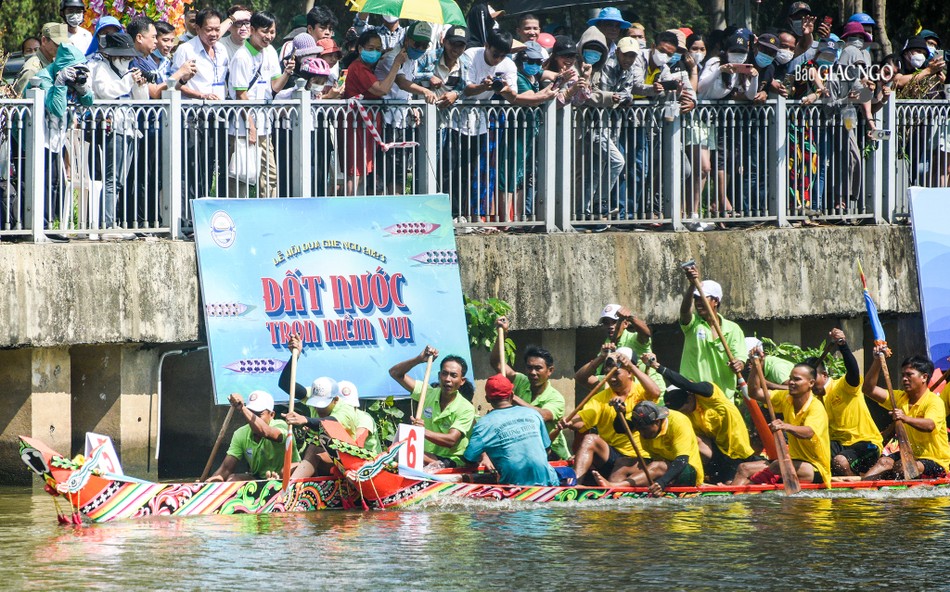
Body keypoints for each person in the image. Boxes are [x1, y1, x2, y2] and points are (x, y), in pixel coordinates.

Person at [647, 355, 758, 483]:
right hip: (717, 453)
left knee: (730, 483)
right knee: (692, 438)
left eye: (683, 409)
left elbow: (686, 384)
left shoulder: (709, 395)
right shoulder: (684, 415)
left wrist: (658, 367)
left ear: (690, 397)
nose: (681, 413)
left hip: (738, 452)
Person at [557, 348, 660, 484]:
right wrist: (569, 423)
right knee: (590, 439)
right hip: (611, 456)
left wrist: (631, 366)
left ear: (629, 373)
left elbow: (656, 393)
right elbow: (582, 420)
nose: (611, 379)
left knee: (621, 466)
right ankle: (574, 485)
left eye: (616, 374)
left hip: (640, 458)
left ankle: (611, 485)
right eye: (607, 373)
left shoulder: (642, 392)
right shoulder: (601, 398)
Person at [88, 32, 148, 240]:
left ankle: (112, 221)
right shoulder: (100, 69)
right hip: (112, 127)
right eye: (123, 56)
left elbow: (140, 100)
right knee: (112, 178)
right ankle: (107, 224)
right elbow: (105, 91)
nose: (126, 60)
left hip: (129, 126)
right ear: (112, 55)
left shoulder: (126, 72)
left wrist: (139, 85)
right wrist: (128, 82)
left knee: (121, 179)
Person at [227, 11, 295, 198]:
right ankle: (238, 215)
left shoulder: (271, 52)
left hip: (265, 125)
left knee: (270, 175)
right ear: (253, 30)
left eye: (272, 32)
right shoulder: (241, 57)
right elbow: (240, 95)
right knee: (241, 174)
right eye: (265, 31)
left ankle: (269, 212)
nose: (269, 36)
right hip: (244, 127)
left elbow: (275, 86)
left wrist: (287, 73)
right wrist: (251, 126)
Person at [733, 362, 831, 488]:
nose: (791, 382)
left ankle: (743, 490)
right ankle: (732, 501)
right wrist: (757, 367)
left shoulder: (816, 407)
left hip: (815, 469)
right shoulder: (786, 398)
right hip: (789, 463)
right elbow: (754, 393)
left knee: (776, 466)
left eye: (797, 379)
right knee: (744, 468)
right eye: (790, 378)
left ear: (811, 383)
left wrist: (785, 426)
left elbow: (808, 432)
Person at [861, 349, 950, 481]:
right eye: (903, 375)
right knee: (883, 462)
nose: (904, 379)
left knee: (901, 467)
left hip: (936, 461)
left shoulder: (934, 401)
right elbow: (868, 389)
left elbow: (930, 425)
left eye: (909, 375)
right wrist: (877, 361)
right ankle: (861, 490)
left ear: (924, 377)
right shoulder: (899, 398)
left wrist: (905, 418)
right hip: (909, 455)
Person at [491, 318, 569, 460]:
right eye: (529, 367)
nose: (533, 373)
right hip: (523, 448)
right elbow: (497, 362)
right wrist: (502, 334)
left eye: (538, 368)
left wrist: (513, 398)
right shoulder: (521, 380)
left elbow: (542, 416)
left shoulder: (555, 397)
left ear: (550, 371)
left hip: (551, 452)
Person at [807, 329, 883, 476]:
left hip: (865, 443)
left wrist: (843, 345)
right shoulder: (813, 400)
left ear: (824, 375)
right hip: (838, 445)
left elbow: (853, 372)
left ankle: (854, 489)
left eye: (812, 378)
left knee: (840, 462)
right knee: (808, 457)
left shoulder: (842, 386)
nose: (809, 383)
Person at [462, 374, 559, 486]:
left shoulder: (483, 424)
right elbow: (547, 450)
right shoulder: (533, 414)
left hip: (513, 484)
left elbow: (469, 459)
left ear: (487, 399)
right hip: (549, 481)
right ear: (512, 395)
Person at [173, 8, 230, 202]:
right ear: (197, 29)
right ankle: (189, 217)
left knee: (211, 165)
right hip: (192, 116)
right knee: (192, 166)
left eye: (216, 29)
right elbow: (174, 84)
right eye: (208, 29)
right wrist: (200, 95)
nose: (213, 34)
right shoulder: (186, 50)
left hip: (217, 116)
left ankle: (207, 210)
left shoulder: (222, 50)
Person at [342, 30, 407, 194]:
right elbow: (382, 89)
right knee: (355, 172)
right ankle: (346, 211)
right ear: (360, 48)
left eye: (378, 49)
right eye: (371, 48)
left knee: (363, 170)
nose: (375, 52)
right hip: (356, 125)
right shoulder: (358, 68)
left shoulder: (367, 68)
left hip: (367, 127)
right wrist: (396, 65)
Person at [389, 346, 476, 469]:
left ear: (462, 381)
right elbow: (395, 373)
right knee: (396, 450)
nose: (447, 379)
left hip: (451, 461)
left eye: (453, 375)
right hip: (424, 455)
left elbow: (451, 440)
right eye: (444, 374)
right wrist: (419, 359)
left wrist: (423, 431)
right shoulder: (427, 393)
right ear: (439, 375)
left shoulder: (466, 408)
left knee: (408, 453)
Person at [593, 401, 704, 494]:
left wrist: (662, 483)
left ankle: (615, 486)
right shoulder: (645, 424)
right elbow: (620, 428)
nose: (642, 433)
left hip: (687, 472)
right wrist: (620, 413)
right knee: (623, 462)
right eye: (639, 429)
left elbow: (682, 460)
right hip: (662, 466)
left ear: (657, 422)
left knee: (658, 465)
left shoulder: (679, 422)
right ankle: (610, 493)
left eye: (644, 430)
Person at [284, 379, 380, 478]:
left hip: (363, 462)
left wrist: (307, 421)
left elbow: (358, 443)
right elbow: (286, 384)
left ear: (336, 401)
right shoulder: (331, 408)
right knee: (286, 470)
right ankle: (295, 484)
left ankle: (293, 485)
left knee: (318, 446)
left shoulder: (363, 418)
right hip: (340, 457)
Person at [679, 264, 745, 403]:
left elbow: (740, 358)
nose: (698, 303)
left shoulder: (733, 329)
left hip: (723, 399)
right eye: (696, 299)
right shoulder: (693, 324)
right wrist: (692, 286)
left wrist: (738, 364)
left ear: (715, 301)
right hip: (694, 397)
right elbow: (684, 312)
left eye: (702, 298)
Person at [207, 390, 299, 482]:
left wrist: (242, 408)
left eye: (259, 415)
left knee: (285, 472)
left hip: (289, 477)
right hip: (259, 479)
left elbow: (265, 432)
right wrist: (205, 486)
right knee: (233, 479)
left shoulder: (282, 426)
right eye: (251, 413)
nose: (252, 419)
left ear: (272, 415)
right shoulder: (240, 434)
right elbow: (225, 469)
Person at [14, 23, 69, 98]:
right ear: (44, 40)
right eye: (57, 44)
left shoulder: (54, 64)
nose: (61, 48)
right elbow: (21, 102)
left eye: (63, 45)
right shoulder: (32, 69)